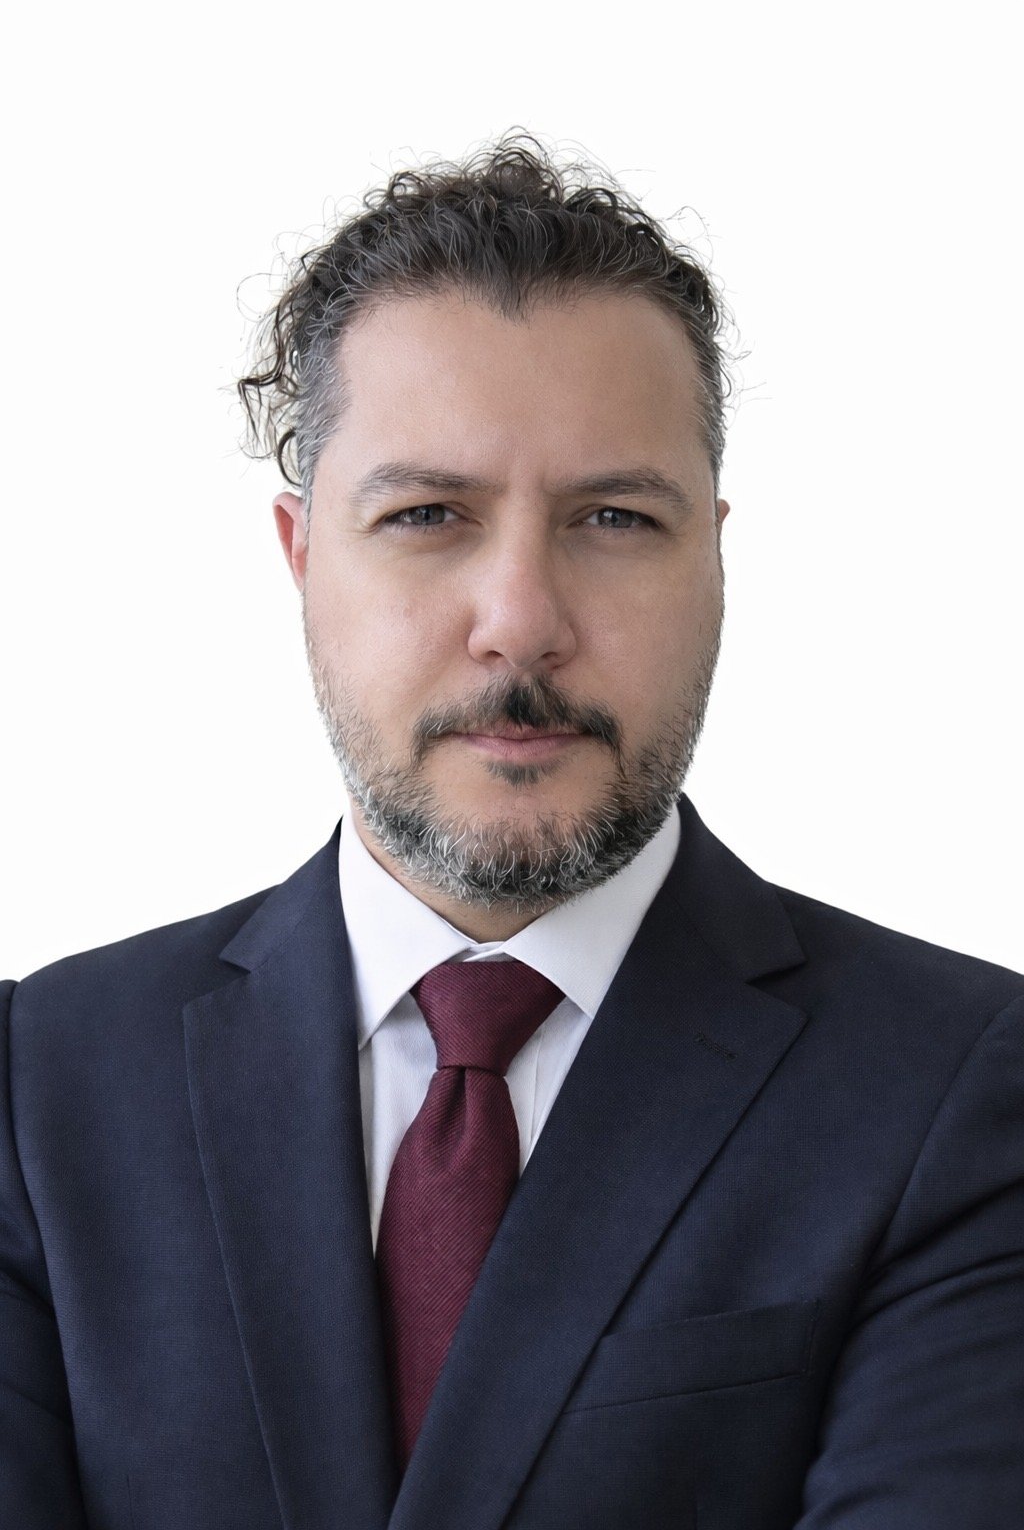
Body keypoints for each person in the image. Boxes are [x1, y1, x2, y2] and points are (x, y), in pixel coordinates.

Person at [2, 130, 1021, 1530]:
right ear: (302, 557)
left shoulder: (964, 1088)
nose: (522, 620)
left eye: (616, 517)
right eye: (427, 514)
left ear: (716, 559)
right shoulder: (37, 1090)